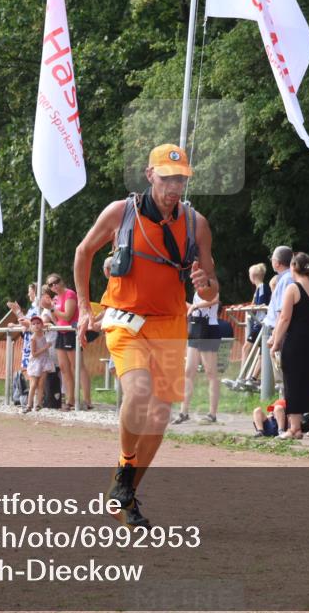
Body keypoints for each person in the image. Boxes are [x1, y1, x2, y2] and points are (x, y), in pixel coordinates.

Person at [74, 143, 217, 529]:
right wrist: (87, 310)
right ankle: (124, 467)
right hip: (124, 319)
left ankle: (127, 496)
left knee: (159, 416)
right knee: (138, 392)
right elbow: (83, 252)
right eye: (167, 178)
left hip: (170, 324)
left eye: (181, 179)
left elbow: (210, 289)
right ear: (149, 174)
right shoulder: (121, 213)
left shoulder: (195, 223)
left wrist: (204, 285)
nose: (174, 187)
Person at [269, 252, 309, 438]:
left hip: (296, 338)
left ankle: (294, 428)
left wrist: (276, 343)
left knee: (292, 381)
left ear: (293, 266)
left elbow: (285, 318)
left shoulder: (293, 289)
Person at [40, 273, 92, 411]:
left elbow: (68, 315)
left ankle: (87, 400)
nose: (54, 286)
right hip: (61, 332)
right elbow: (57, 319)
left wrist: (52, 308)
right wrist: (49, 309)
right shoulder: (56, 298)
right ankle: (70, 400)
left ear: (61, 281)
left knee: (78, 366)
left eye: (56, 282)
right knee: (64, 368)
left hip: (71, 332)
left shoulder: (69, 294)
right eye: (50, 284)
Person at [175, 289, 222, 425]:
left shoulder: (211, 285)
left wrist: (195, 306)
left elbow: (215, 299)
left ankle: (212, 413)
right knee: (188, 370)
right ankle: (184, 412)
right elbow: (195, 306)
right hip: (195, 327)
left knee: (210, 372)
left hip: (208, 328)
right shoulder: (198, 289)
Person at [262, 246, 293, 383]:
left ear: (277, 262)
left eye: (272, 258)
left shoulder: (285, 280)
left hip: (282, 332)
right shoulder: (286, 278)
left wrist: (275, 336)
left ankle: (286, 403)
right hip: (282, 330)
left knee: (283, 375)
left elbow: (282, 313)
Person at [241, 262, 271, 384]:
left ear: (253, 275)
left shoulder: (262, 287)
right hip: (258, 322)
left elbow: (261, 305)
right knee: (261, 353)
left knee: (246, 348)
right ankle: (252, 378)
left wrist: (251, 308)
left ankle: (243, 376)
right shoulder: (259, 289)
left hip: (260, 323)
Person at [24, 315, 50, 413]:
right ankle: (29, 404)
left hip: (45, 361)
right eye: (33, 324)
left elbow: (47, 325)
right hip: (36, 362)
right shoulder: (33, 338)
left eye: (38, 323)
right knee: (34, 384)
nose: (36, 326)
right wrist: (46, 347)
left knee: (41, 384)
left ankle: (39, 404)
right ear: (31, 326)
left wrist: (47, 324)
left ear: (42, 325)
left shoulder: (43, 334)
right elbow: (34, 354)